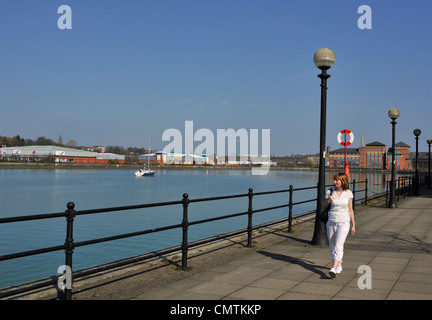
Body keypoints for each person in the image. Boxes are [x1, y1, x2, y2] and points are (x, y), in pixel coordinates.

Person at [325, 172, 356, 278]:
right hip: (331, 221)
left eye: (337, 180)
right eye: (334, 180)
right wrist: (329, 200)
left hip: (344, 222)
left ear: (342, 181)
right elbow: (323, 206)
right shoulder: (330, 191)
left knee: (338, 245)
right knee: (332, 245)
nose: (334, 182)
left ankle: (333, 268)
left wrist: (353, 225)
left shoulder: (348, 193)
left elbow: (350, 210)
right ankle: (339, 264)